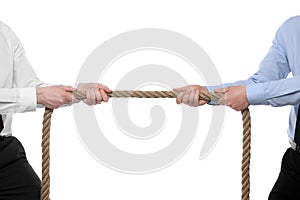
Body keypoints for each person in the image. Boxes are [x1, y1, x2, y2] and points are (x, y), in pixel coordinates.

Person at [174, 15, 300, 200]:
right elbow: (261, 82)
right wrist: (206, 93)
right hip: (297, 163)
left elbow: (254, 90)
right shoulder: (292, 28)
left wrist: (249, 94)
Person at [0, 21, 111, 199]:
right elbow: (34, 94)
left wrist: (76, 92)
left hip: (4, 153)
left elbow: (28, 86)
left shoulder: (4, 33)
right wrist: (38, 95)